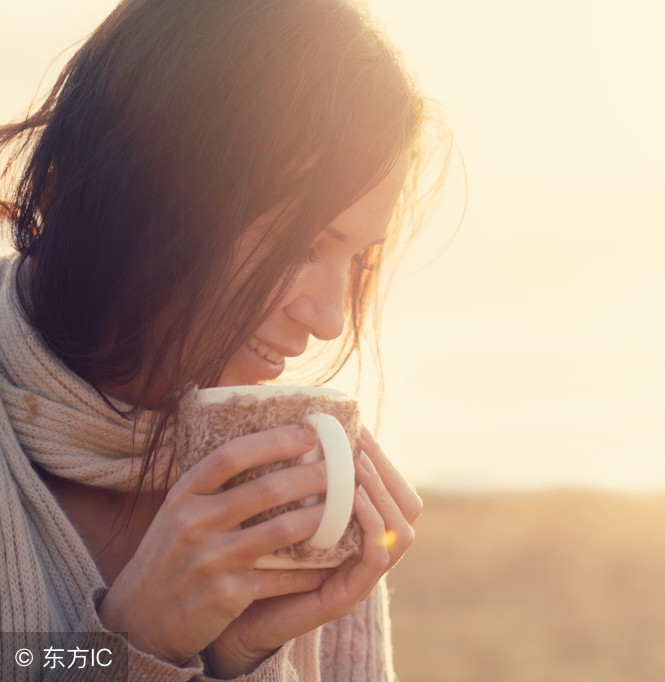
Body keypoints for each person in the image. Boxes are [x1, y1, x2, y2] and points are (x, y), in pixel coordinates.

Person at [0, 0, 446, 678]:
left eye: (356, 259)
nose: (329, 319)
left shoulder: (301, 496)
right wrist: (135, 643)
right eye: (299, 244)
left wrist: (238, 658)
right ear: (152, 186)